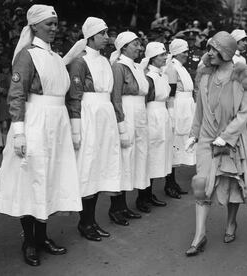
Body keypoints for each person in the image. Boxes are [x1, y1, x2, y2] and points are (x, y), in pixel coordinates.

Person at [0, 5, 82, 266]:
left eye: (55, 24)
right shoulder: (27, 55)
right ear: (34, 26)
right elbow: (17, 94)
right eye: (48, 24)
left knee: (51, 179)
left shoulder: (55, 57)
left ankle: (42, 237)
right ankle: (29, 241)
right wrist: (19, 133)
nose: (54, 29)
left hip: (57, 123)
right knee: (31, 179)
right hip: (35, 122)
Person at [185, 31, 247, 256]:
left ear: (226, 53)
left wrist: (226, 137)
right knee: (202, 185)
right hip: (207, 138)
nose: (208, 53)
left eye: (213, 50)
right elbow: (199, 110)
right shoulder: (206, 76)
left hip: (232, 140)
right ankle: (199, 236)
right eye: (208, 48)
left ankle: (231, 222)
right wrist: (193, 134)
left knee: (233, 183)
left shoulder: (243, 78)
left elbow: (244, 113)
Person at [63, 17, 122, 241]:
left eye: (107, 33)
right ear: (91, 36)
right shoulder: (80, 62)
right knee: (88, 166)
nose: (107, 37)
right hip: (89, 114)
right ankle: (84, 222)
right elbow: (75, 97)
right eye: (103, 33)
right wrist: (76, 129)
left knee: (100, 166)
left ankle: (92, 220)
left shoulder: (106, 61)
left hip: (104, 114)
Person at [109, 31, 151, 217]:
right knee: (124, 159)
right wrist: (121, 125)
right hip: (127, 113)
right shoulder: (119, 67)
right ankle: (116, 207)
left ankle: (124, 206)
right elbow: (115, 97)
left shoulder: (136, 67)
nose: (139, 48)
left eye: (140, 44)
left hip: (139, 114)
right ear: (124, 46)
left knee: (135, 158)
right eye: (135, 44)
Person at [140, 42, 171, 207]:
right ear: (152, 58)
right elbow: (145, 101)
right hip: (152, 116)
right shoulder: (148, 77)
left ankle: (149, 193)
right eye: (161, 55)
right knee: (150, 155)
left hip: (162, 115)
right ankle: (142, 197)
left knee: (158, 155)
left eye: (165, 54)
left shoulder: (162, 75)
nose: (165, 57)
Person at [165, 38, 195, 198]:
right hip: (178, 108)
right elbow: (171, 93)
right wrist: (171, 114)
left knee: (180, 146)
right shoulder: (172, 68)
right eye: (184, 51)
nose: (187, 54)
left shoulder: (181, 68)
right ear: (176, 52)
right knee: (174, 146)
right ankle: (169, 183)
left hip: (186, 107)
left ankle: (172, 182)